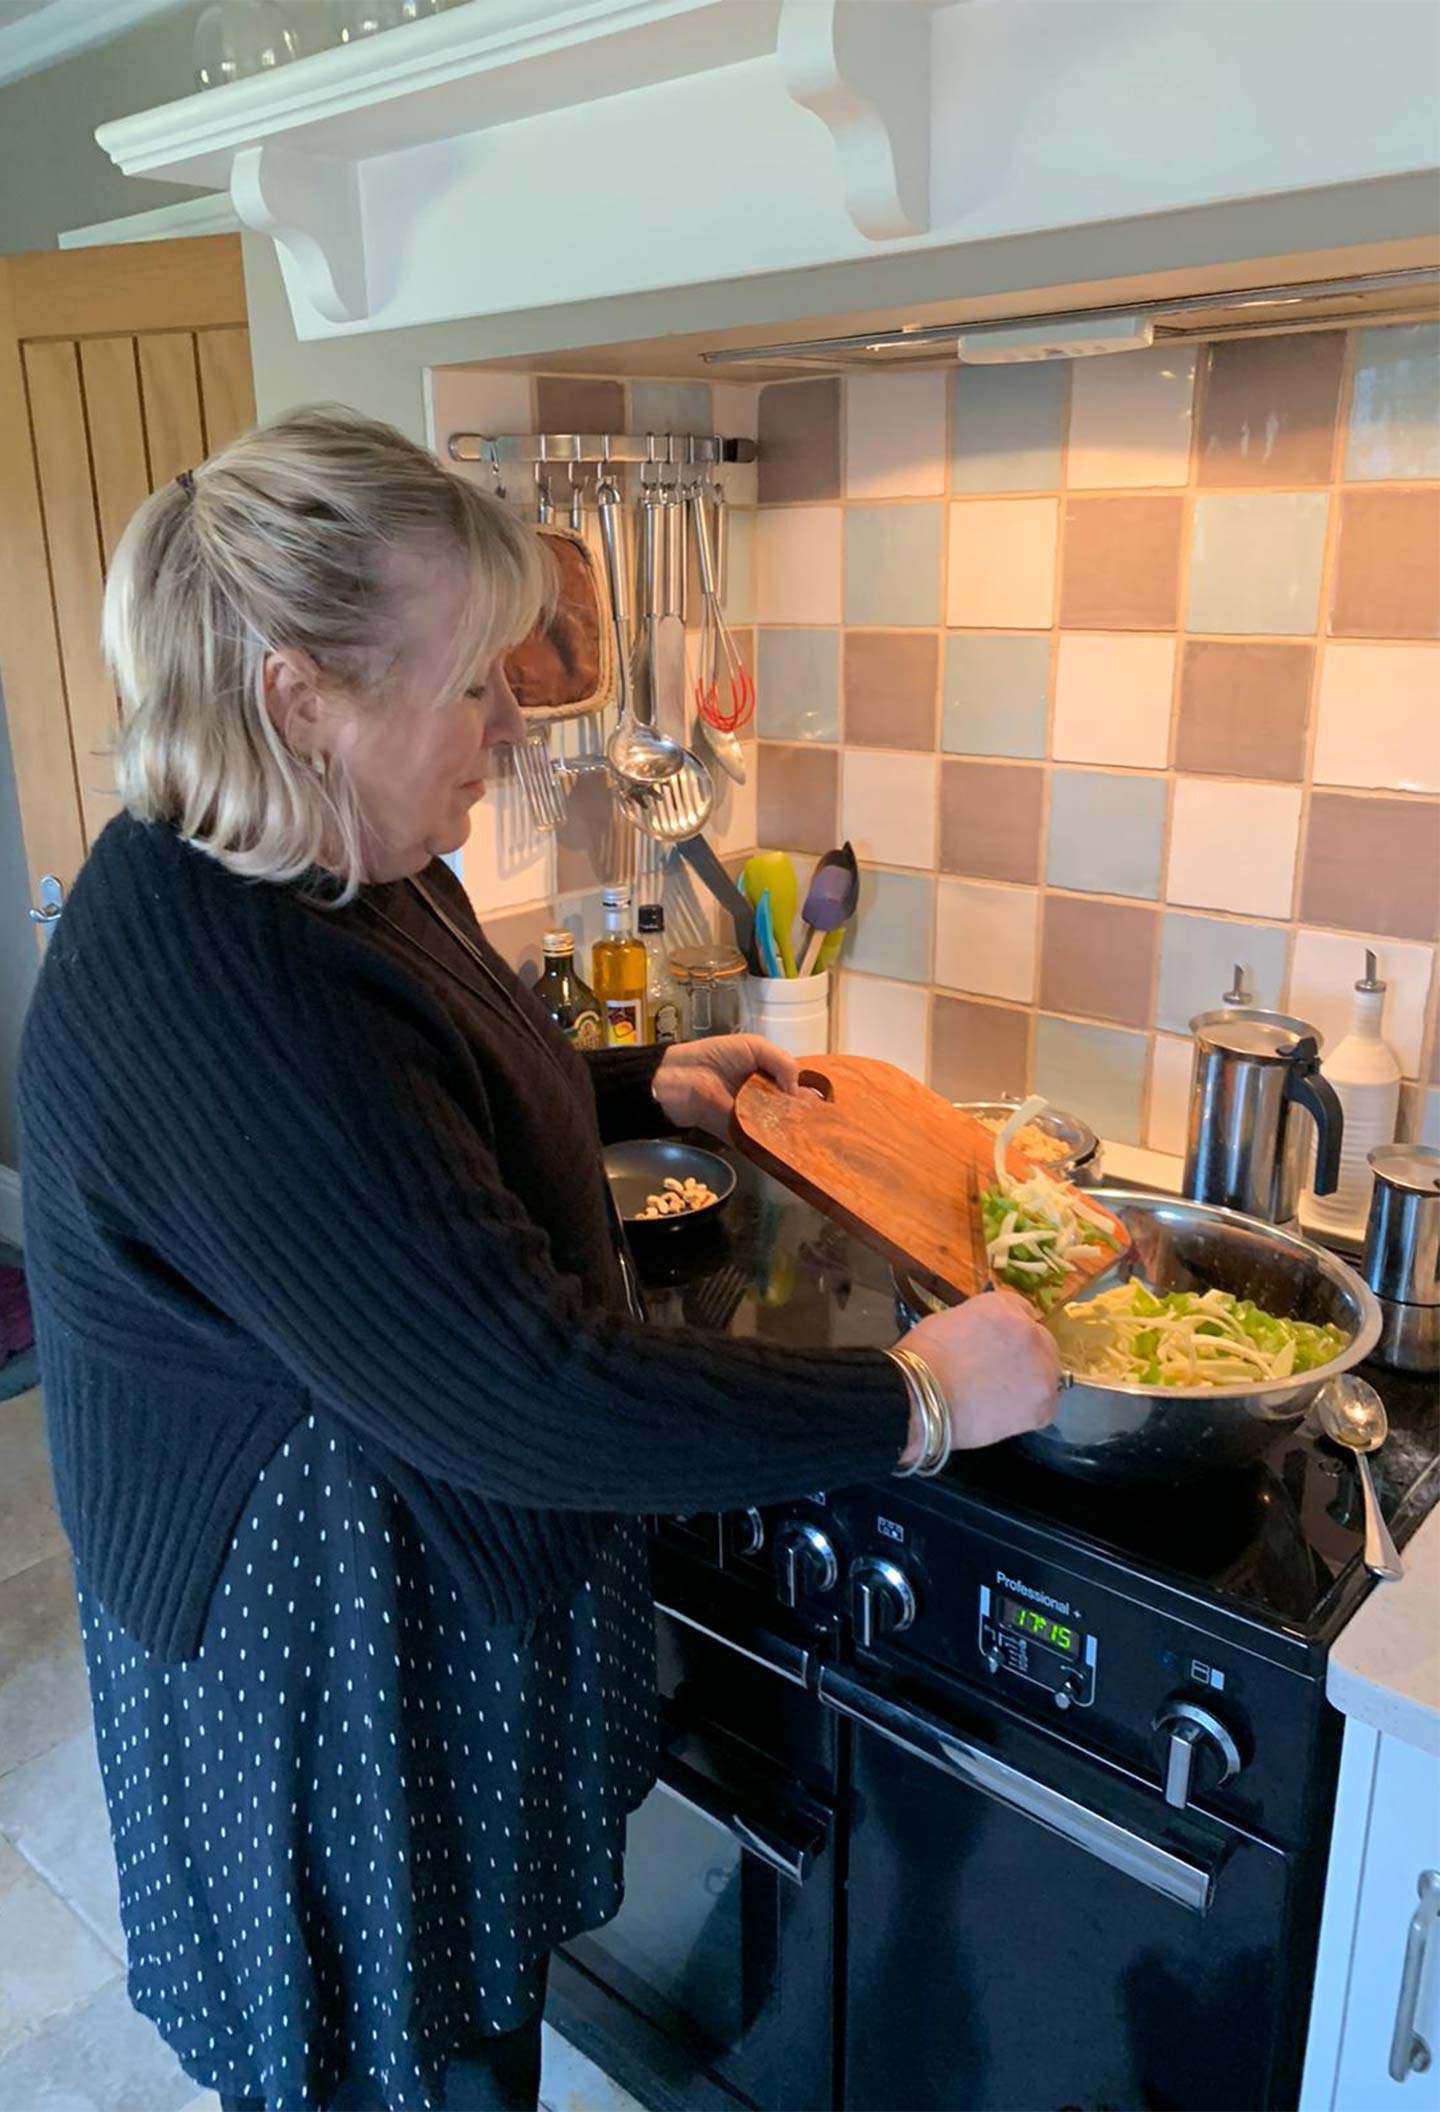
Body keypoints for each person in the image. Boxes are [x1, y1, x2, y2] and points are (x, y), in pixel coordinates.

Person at [18, 408, 1059, 2112]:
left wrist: (636, 1081)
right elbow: (522, 1391)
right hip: (322, 1658)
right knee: (409, 2070)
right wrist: (917, 1398)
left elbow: (405, 1116)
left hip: (391, 1572)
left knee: (460, 2043)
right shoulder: (243, 978)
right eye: (473, 685)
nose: (511, 724)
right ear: (304, 697)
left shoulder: (326, 856)